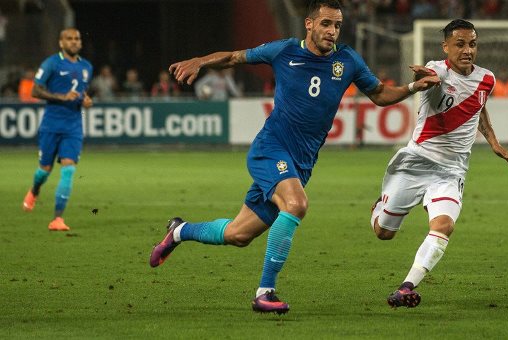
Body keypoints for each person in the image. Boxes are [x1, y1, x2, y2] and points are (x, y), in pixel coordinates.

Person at [150, 0, 439, 314]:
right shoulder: (284, 51)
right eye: (326, 24)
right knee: (297, 204)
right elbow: (235, 57)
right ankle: (265, 291)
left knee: (238, 234)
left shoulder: (348, 61)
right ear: (309, 24)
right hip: (270, 149)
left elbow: (380, 93)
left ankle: (179, 231)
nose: (332, 31)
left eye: (337, 25)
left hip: (301, 164)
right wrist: (200, 61)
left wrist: (414, 86)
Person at [369, 19, 508, 309]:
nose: (467, 50)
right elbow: (430, 75)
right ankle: (380, 206)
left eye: (472, 44)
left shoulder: (487, 78)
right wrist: (424, 79)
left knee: (443, 225)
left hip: (451, 171)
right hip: (415, 163)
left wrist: (493, 142)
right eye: (460, 44)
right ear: (446, 47)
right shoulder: (437, 70)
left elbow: (479, 106)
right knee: (384, 232)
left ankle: (406, 287)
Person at [22, 28, 93, 231]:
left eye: (77, 38)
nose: (74, 42)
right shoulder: (51, 63)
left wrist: (86, 101)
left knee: (69, 169)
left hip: (73, 126)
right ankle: (34, 190)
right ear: (61, 43)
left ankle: (57, 219)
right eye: (69, 39)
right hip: (51, 125)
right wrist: (61, 97)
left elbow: (82, 93)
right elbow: (35, 90)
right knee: (44, 171)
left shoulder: (87, 67)